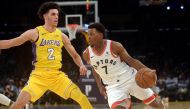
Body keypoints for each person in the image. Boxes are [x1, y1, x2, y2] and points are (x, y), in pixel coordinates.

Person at [0, 2, 93, 109]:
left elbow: (75, 55)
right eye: (53, 14)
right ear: (45, 16)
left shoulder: (62, 36)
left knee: (82, 98)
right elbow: (12, 42)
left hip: (57, 76)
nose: (56, 17)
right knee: (17, 105)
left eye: (57, 14)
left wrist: (81, 65)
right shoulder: (35, 33)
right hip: (38, 77)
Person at [83, 22, 165, 109]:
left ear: (100, 35)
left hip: (130, 78)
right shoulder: (86, 54)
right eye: (88, 35)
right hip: (113, 86)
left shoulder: (114, 46)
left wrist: (148, 70)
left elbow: (131, 60)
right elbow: (94, 68)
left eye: (92, 34)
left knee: (156, 104)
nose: (89, 37)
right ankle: (127, 103)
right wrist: (99, 85)